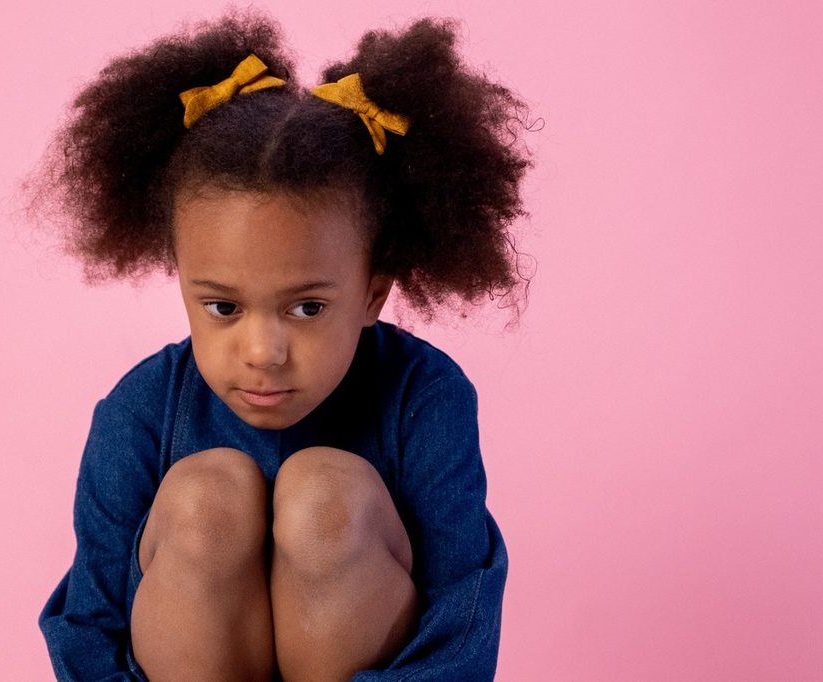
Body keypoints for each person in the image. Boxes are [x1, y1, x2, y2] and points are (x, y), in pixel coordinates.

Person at [29, 8, 535, 681]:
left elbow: (461, 618)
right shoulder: (140, 410)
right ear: (181, 281)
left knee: (325, 497)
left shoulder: (426, 395)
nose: (263, 350)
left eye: (306, 307)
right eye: (222, 307)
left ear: (372, 294)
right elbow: (93, 624)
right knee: (205, 498)